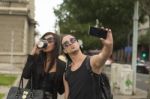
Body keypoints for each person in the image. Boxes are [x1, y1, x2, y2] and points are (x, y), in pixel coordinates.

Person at [61, 28, 113, 99]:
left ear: (78, 43)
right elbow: (66, 96)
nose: (70, 43)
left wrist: (108, 45)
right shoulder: (66, 74)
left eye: (72, 40)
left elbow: (104, 55)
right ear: (65, 50)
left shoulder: (91, 62)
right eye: (66, 44)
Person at [22, 32, 66, 99]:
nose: (46, 43)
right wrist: (33, 53)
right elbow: (25, 75)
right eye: (44, 41)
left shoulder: (62, 65)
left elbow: (61, 90)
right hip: (31, 97)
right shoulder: (37, 59)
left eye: (50, 40)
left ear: (56, 44)